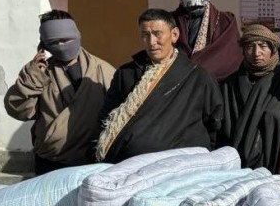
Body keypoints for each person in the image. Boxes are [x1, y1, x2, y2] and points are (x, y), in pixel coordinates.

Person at [94, 9, 223, 163]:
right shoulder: (127, 74)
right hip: (127, 163)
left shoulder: (198, 77)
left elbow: (215, 124)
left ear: (174, 35)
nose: (151, 42)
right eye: (145, 35)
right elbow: (107, 117)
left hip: (180, 164)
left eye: (157, 34)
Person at [3, 10, 115, 174]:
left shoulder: (102, 70)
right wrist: (34, 77)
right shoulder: (38, 73)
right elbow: (19, 110)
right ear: (44, 44)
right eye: (54, 42)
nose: (62, 45)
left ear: (78, 36)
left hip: (91, 159)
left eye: (67, 40)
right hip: (51, 160)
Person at [218, 24, 280, 172]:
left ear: (272, 49)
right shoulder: (228, 86)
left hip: (274, 167)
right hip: (234, 168)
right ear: (243, 51)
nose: (256, 53)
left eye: (263, 46)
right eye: (250, 47)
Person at [172, 0, 241, 80]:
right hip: (176, 84)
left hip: (214, 86)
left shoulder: (225, 21)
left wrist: (194, 72)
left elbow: (229, 59)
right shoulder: (168, 20)